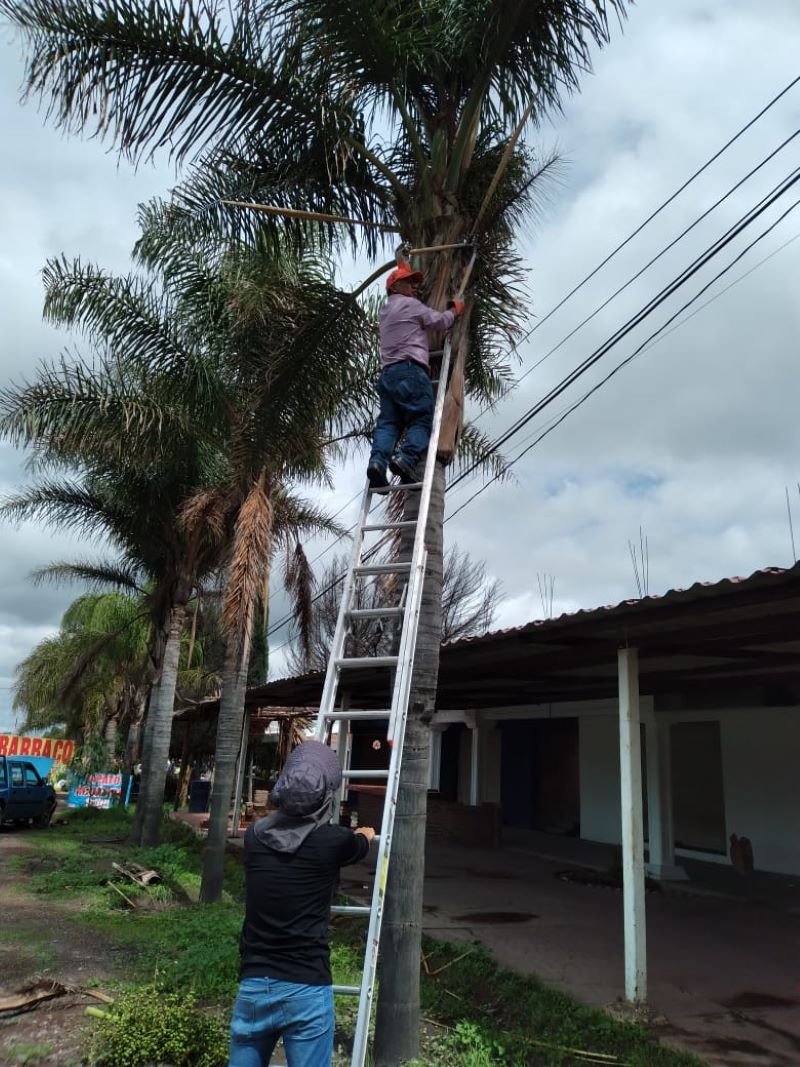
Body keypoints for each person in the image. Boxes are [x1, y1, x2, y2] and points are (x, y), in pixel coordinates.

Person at [229, 740, 375, 1067]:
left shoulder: (254, 837)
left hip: (254, 983)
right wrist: (366, 833)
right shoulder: (333, 842)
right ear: (325, 798)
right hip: (306, 987)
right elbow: (360, 845)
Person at [367, 262, 464, 488]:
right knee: (422, 419)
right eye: (408, 282)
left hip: (388, 375)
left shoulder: (385, 311)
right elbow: (439, 322)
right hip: (411, 371)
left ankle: (378, 463)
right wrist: (454, 310)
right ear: (395, 286)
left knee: (389, 424)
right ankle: (406, 459)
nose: (414, 287)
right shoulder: (411, 305)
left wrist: (404, 263)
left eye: (414, 282)